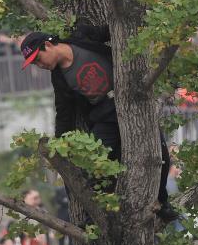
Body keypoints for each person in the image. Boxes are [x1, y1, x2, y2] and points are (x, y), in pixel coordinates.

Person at [19, 29, 177, 222]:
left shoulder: (82, 39)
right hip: (105, 117)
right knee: (94, 165)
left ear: (48, 45)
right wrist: (60, 144)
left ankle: (161, 202)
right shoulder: (59, 78)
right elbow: (64, 113)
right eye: (34, 63)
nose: (39, 65)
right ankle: (94, 217)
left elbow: (114, 30)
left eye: (38, 58)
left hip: (133, 106)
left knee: (161, 157)